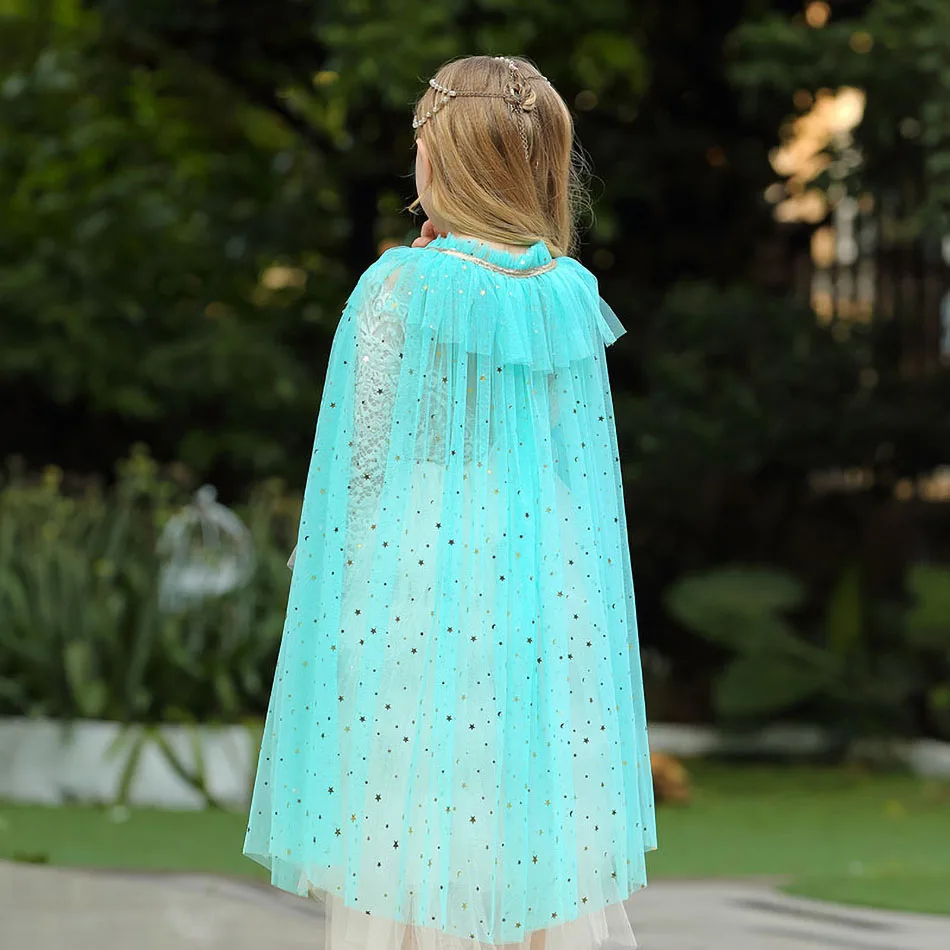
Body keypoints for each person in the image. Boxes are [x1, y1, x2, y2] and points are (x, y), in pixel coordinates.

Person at [244, 54, 657, 950]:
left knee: (410, 805)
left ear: (443, 158)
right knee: (531, 801)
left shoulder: (398, 286)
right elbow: (564, 444)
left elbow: (363, 457)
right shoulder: (568, 292)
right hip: (546, 565)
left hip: (422, 564)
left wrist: (323, 575)